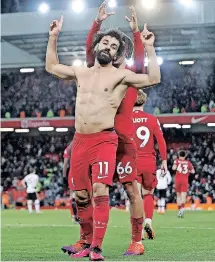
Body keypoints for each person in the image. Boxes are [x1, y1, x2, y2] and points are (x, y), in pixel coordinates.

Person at [46, 4, 160, 260]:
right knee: (83, 192)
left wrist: (139, 37)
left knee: (131, 190)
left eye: (115, 47)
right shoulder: (91, 70)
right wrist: (95, 24)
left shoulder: (125, 75)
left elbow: (145, 67)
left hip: (120, 141)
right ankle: (86, 240)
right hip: (91, 140)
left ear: (124, 54)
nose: (109, 49)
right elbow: (89, 51)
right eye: (105, 45)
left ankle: (135, 241)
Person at [132, 90, 167, 239]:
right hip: (149, 161)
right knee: (148, 194)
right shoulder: (152, 119)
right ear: (144, 102)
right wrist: (164, 160)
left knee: (135, 197)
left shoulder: (125, 119)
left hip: (132, 161)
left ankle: (138, 231)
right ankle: (148, 221)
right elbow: (161, 140)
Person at [172, 150, 195, 218]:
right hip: (185, 180)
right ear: (185, 156)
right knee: (183, 196)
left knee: (178, 196)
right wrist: (188, 170)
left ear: (179, 155)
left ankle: (179, 210)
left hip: (178, 180)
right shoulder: (188, 162)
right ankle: (182, 210)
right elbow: (193, 171)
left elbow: (173, 168)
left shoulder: (176, 161)